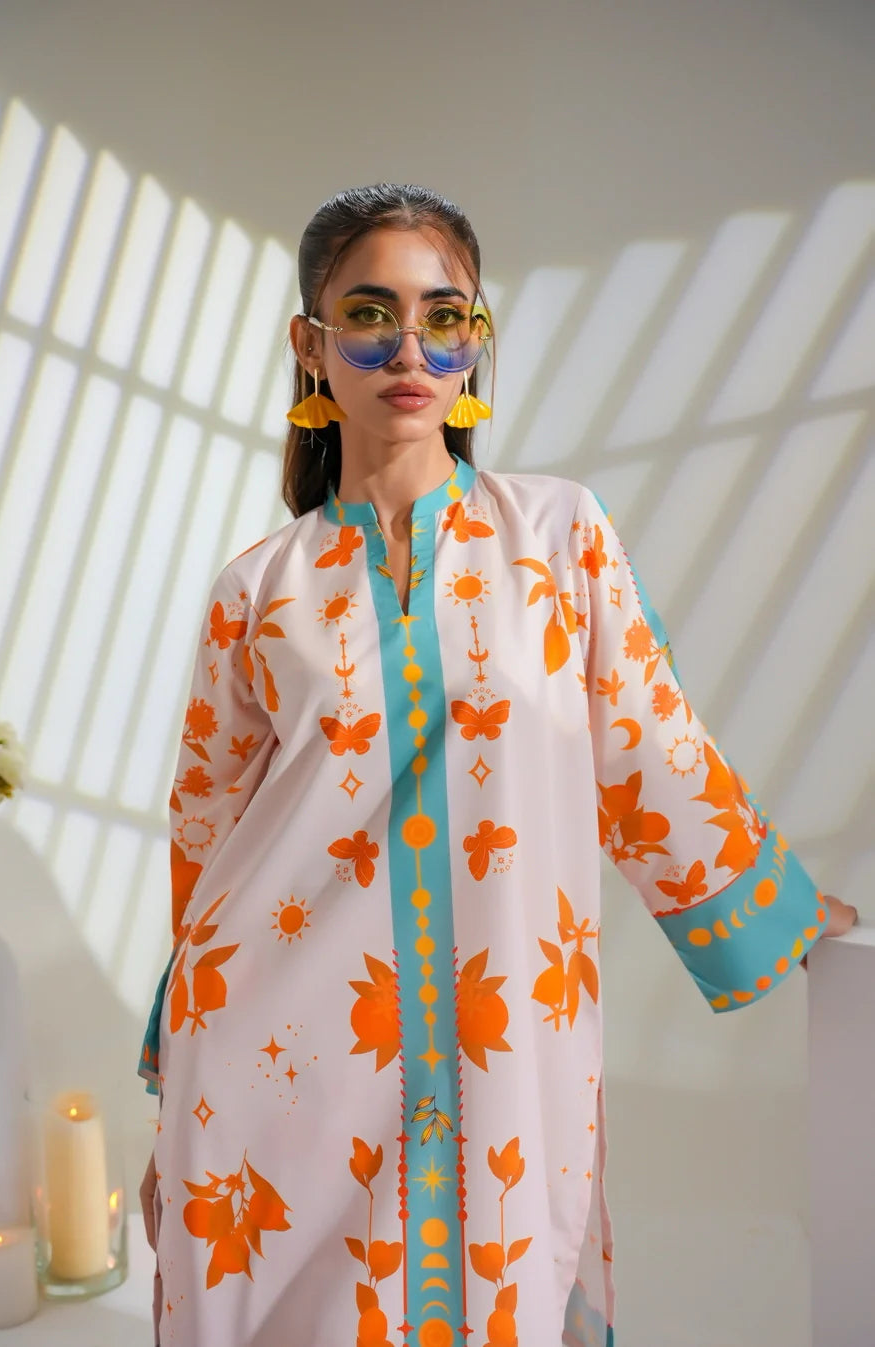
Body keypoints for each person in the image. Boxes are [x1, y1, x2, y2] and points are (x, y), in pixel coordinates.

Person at [137, 183, 857, 1347]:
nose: (409, 349)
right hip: (277, 1067)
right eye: (370, 314)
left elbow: (647, 738)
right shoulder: (255, 590)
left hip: (504, 1049)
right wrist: (172, 1091)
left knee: (504, 1288)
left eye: (445, 316)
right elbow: (204, 835)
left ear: (478, 339)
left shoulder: (559, 537)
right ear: (309, 344)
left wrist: (771, 901)